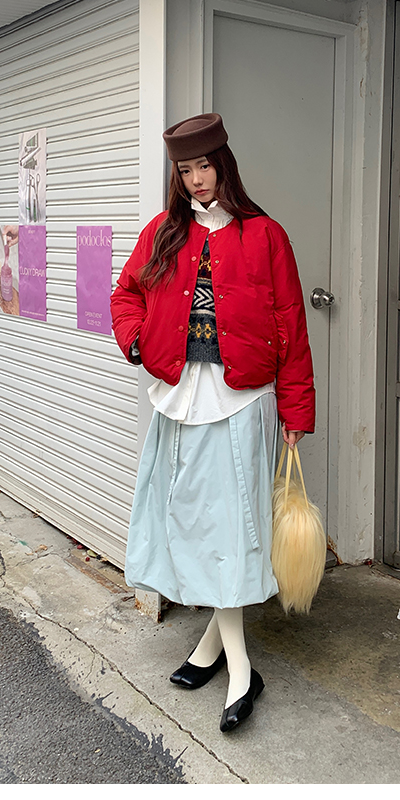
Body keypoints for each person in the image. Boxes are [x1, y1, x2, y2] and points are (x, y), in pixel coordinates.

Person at [111, 112, 315, 732]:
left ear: (224, 165)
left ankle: (241, 669)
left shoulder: (266, 236)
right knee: (196, 524)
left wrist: (296, 409)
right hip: (182, 396)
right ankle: (215, 650)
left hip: (242, 402)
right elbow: (124, 294)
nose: (196, 179)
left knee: (229, 529)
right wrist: (138, 341)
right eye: (185, 170)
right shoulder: (162, 233)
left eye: (204, 166)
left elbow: (291, 323)